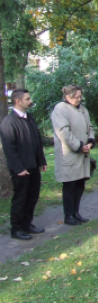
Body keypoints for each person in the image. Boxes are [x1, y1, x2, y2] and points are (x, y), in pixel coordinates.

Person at [0, 89, 47, 240]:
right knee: (20, 199)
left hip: (33, 165)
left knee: (32, 197)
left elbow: (37, 141)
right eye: (27, 99)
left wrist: (42, 161)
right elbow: (9, 149)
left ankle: (27, 224)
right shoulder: (9, 122)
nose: (30, 101)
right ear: (18, 101)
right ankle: (17, 228)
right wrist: (19, 168)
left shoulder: (30, 117)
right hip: (21, 168)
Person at [51, 85, 95, 225]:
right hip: (69, 154)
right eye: (76, 97)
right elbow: (63, 132)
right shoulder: (60, 109)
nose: (79, 99)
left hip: (83, 155)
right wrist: (79, 146)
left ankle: (76, 212)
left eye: (80, 96)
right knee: (70, 186)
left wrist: (90, 141)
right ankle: (68, 215)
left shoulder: (83, 109)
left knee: (80, 185)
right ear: (67, 97)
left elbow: (90, 127)